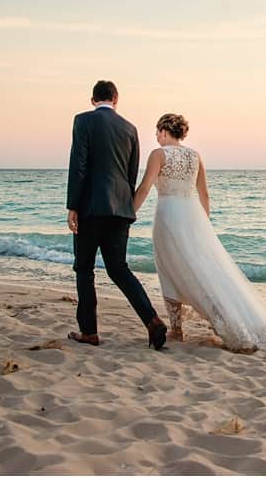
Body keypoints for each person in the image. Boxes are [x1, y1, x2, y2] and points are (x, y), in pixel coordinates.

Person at [132, 113, 266, 351]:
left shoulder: (158, 154)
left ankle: (177, 330)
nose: (155, 136)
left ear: (164, 131)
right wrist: (203, 224)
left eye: (157, 132)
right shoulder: (195, 156)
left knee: (169, 270)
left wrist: (129, 213)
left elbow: (144, 188)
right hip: (193, 217)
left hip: (168, 217)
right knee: (206, 270)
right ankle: (239, 320)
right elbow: (204, 194)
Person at [66, 80, 167, 350]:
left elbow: (79, 165)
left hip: (91, 208)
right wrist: (124, 203)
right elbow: (131, 172)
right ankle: (153, 320)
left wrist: (72, 205)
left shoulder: (83, 121)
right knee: (119, 269)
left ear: (92, 100)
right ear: (116, 99)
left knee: (84, 268)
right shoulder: (130, 128)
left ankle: (89, 332)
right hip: (121, 209)